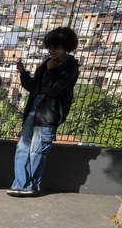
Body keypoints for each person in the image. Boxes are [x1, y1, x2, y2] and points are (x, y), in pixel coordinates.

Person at [8, 27, 79, 197]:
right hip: (34, 110)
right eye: (51, 47)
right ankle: (19, 184)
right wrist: (23, 72)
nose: (53, 50)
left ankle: (30, 186)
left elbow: (52, 90)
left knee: (37, 151)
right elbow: (34, 87)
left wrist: (51, 70)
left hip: (48, 115)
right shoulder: (48, 63)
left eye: (57, 47)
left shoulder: (70, 68)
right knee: (22, 147)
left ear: (66, 47)